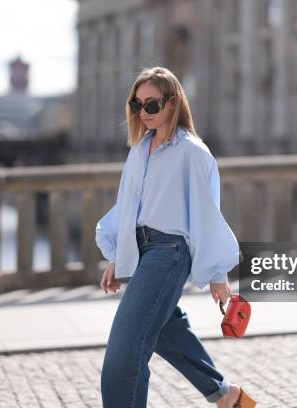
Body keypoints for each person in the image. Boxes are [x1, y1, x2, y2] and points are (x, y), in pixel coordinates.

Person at [96, 66, 257, 408]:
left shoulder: (192, 153)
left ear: (172, 103)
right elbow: (127, 206)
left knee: (124, 351)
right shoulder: (140, 150)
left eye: (151, 104)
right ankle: (227, 397)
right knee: (167, 329)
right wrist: (115, 254)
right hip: (141, 252)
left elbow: (206, 212)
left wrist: (217, 273)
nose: (143, 112)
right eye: (136, 104)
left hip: (169, 253)